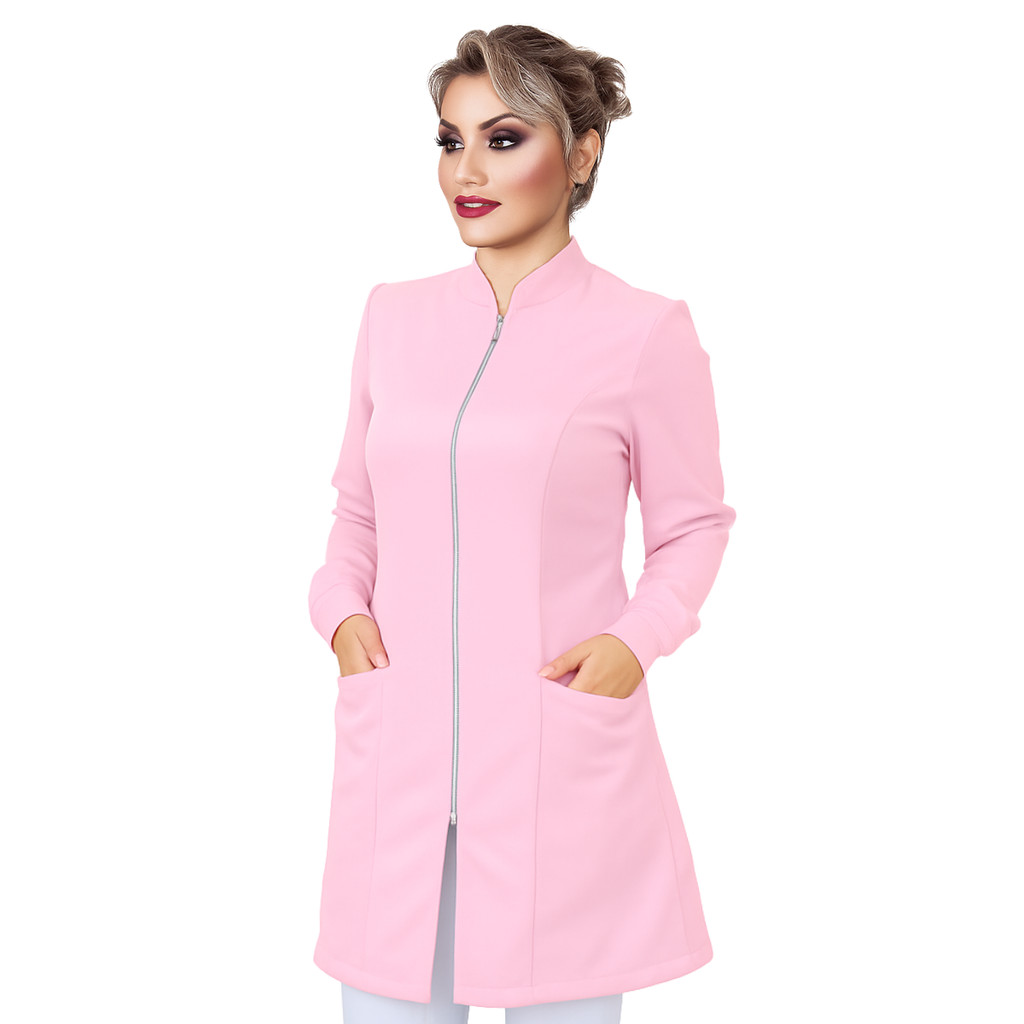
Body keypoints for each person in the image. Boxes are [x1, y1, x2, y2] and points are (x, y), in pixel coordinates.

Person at [308, 24, 737, 1024]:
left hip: (557, 764)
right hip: (397, 760)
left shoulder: (643, 332)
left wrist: (634, 643)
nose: (467, 169)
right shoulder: (393, 317)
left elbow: (693, 526)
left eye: (504, 139)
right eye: (449, 140)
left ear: (582, 154)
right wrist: (338, 613)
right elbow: (357, 509)